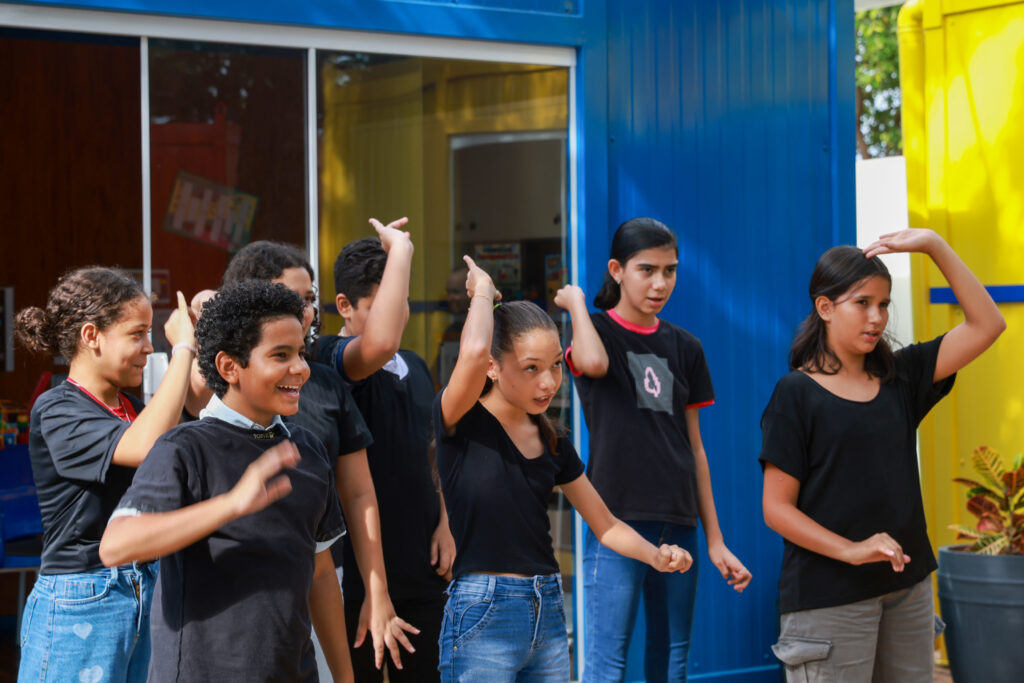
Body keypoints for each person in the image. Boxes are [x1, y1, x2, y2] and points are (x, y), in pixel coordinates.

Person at [760, 229, 1005, 682]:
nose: (877, 317)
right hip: (828, 600)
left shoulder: (902, 377)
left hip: (907, 589)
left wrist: (933, 244)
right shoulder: (795, 394)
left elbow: (988, 324)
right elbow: (776, 509)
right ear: (825, 308)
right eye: (862, 303)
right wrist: (851, 551)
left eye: (884, 304)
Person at [435, 255, 693, 682]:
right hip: (483, 613)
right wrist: (482, 290)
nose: (549, 382)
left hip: (549, 610)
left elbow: (606, 525)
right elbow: (476, 348)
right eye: (531, 369)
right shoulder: (460, 422)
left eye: (555, 365)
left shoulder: (553, 440)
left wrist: (656, 556)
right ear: (493, 369)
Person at [98, 279, 352, 682]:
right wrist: (232, 504)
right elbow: (116, 546)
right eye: (281, 355)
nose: (300, 368)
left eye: (301, 352)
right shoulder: (183, 448)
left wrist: (344, 677)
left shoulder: (308, 449)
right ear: (229, 367)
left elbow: (320, 573)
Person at [555, 216, 751, 682]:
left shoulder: (686, 347)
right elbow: (593, 363)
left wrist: (716, 539)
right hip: (617, 521)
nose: (661, 283)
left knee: (671, 660)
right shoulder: (597, 333)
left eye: (670, 270)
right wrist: (577, 303)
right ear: (617, 270)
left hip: (679, 520)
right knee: (607, 664)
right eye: (647, 270)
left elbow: (695, 449)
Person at [219, 239, 417, 674]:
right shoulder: (213, 389)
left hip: (324, 579)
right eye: (294, 298)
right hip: (235, 596)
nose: (305, 312)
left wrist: (375, 590)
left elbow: (358, 493)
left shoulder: (323, 374)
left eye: (310, 300)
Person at [13, 266, 195, 683]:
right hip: (82, 598)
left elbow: (189, 405)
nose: (150, 348)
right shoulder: (57, 408)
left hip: (144, 589)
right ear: (91, 336)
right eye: (137, 334)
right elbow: (144, 444)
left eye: (150, 334)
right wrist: (182, 349)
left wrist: (203, 338)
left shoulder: (132, 408)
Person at [316, 219, 454, 681]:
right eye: (382, 306)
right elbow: (378, 343)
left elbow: (430, 452)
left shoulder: (414, 366)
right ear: (344, 307)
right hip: (363, 581)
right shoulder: (332, 358)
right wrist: (402, 252)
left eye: (402, 304)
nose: (397, 315)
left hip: (422, 568)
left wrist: (445, 522)